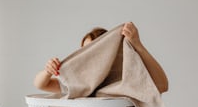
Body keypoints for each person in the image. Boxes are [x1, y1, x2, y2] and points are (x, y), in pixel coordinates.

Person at [34, 22, 169, 94]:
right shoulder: (79, 83)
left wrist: (138, 45)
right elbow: (41, 84)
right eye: (84, 53)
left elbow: (162, 86)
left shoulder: (121, 80)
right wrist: (48, 71)